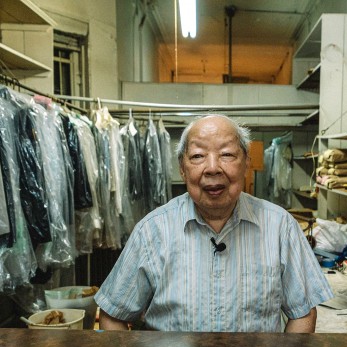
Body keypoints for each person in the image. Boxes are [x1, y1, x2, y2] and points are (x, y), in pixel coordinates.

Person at [95, 114, 332, 332]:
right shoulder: (152, 230)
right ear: (182, 169)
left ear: (246, 162)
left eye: (227, 154)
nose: (212, 168)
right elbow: (113, 315)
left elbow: (302, 313)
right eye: (198, 156)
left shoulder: (280, 226)